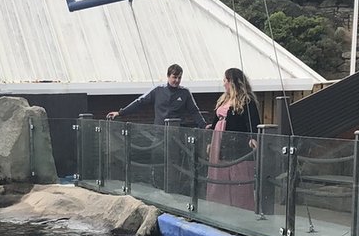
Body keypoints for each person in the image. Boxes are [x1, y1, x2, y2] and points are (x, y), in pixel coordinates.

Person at [203, 67, 261, 210]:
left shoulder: (246, 100)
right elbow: (216, 120)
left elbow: (253, 121)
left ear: (232, 82)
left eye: (225, 80)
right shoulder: (224, 100)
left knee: (237, 175)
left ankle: (240, 207)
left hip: (236, 144)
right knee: (219, 172)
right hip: (219, 141)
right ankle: (218, 205)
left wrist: (253, 138)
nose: (223, 83)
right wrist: (211, 141)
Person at [106, 63, 207, 127]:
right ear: (168, 76)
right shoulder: (158, 90)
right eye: (174, 77)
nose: (177, 80)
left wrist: (204, 125)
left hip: (178, 133)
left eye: (179, 78)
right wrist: (120, 113)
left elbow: (194, 111)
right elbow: (140, 102)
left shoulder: (185, 93)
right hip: (159, 132)